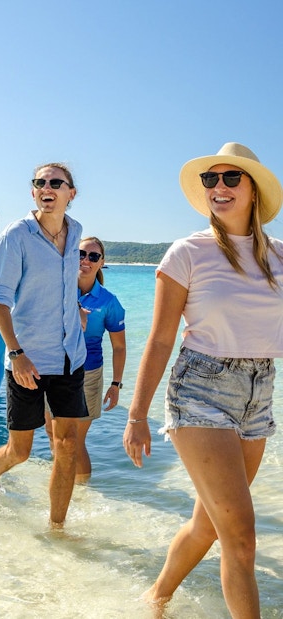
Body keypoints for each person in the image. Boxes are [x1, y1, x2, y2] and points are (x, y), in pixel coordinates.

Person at [123, 142, 283, 618]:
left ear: (253, 191)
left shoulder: (279, 257)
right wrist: (137, 414)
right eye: (210, 180)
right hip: (200, 391)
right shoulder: (187, 253)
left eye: (231, 178)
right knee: (243, 540)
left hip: (260, 390)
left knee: (210, 526)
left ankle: (156, 599)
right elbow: (159, 340)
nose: (218, 187)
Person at [0, 162, 88, 528]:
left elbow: (62, 283)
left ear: (71, 193)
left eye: (55, 183)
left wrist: (75, 309)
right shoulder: (16, 235)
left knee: (68, 444)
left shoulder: (76, 233)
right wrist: (16, 354)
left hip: (70, 356)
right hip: (28, 360)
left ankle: (57, 527)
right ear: (33, 193)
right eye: (40, 183)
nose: (47, 187)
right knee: (21, 451)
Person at [45, 237, 126, 482]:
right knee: (52, 433)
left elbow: (119, 347)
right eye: (80, 253)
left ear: (102, 263)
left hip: (87, 374)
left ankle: (82, 495)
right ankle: (60, 483)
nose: (85, 260)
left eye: (93, 256)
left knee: (75, 441)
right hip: (51, 369)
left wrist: (116, 384)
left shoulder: (109, 302)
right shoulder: (55, 290)